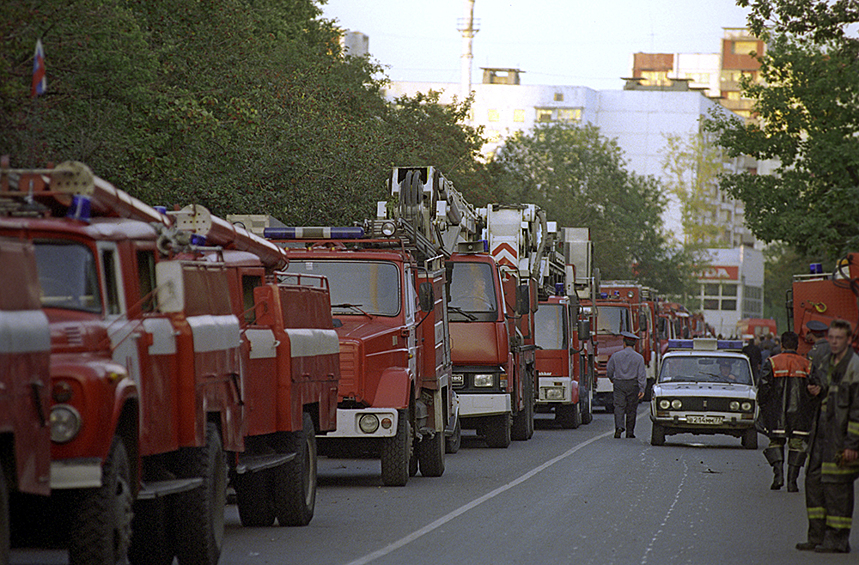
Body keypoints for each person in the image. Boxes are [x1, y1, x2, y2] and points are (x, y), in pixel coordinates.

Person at [797, 319, 859, 553]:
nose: (833, 342)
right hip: (821, 432)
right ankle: (817, 536)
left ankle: (838, 539)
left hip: (841, 437)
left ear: (848, 340)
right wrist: (816, 391)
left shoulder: (854, 367)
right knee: (813, 482)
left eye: (839, 338)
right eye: (831, 337)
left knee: (837, 488)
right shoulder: (825, 362)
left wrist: (852, 444)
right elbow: (824, 392)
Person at [757, 331, 813, 492]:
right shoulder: (806, 364)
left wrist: (763, 405)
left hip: (777, 412)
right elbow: (812, 389)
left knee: (775, 441)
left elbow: (764, 387)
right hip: (800, 412)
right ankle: (792, 481)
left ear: (781, 345)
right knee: (796, 444)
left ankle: (778, 476)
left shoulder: (772, 362)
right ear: (797, 345)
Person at [607, 331, 646, 438]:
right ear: (634, 345)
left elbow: (609, 370)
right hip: (633, 384)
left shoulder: (616, 356)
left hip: (619, 383)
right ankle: (630, 432)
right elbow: (641, 374)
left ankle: (619, 427)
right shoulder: (639, 358)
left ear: (624, 343)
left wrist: (612, 379)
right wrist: (642, 388)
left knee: (619, 407)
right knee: (631, 408)